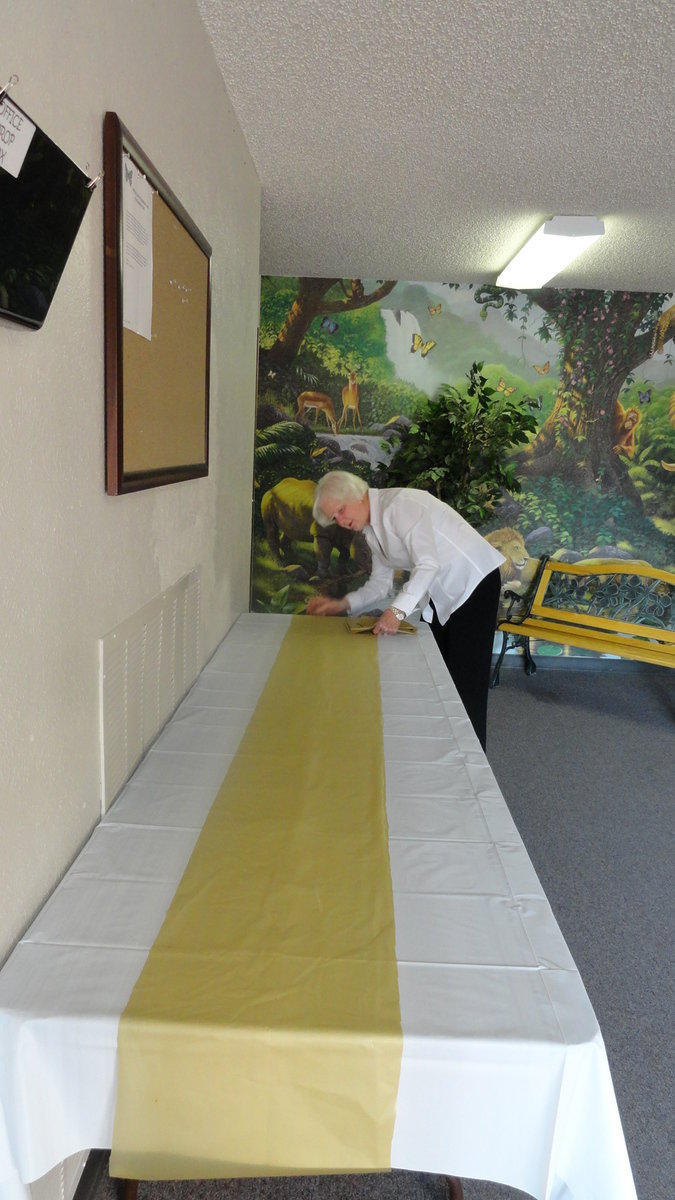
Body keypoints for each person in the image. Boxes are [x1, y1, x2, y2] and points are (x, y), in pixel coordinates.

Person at [305, 471, 504, 751]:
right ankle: (448, 746)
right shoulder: (370, 528)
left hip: (473, 584)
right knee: (441, 672)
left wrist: (396, 613)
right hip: (443, 592)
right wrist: (341, 604)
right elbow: (380, 584)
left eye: (340, 510)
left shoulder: (399, 505)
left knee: (466, 679)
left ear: (357, 494)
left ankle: (472, 758)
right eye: (334, 518)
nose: (341, 521)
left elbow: (427, 564)